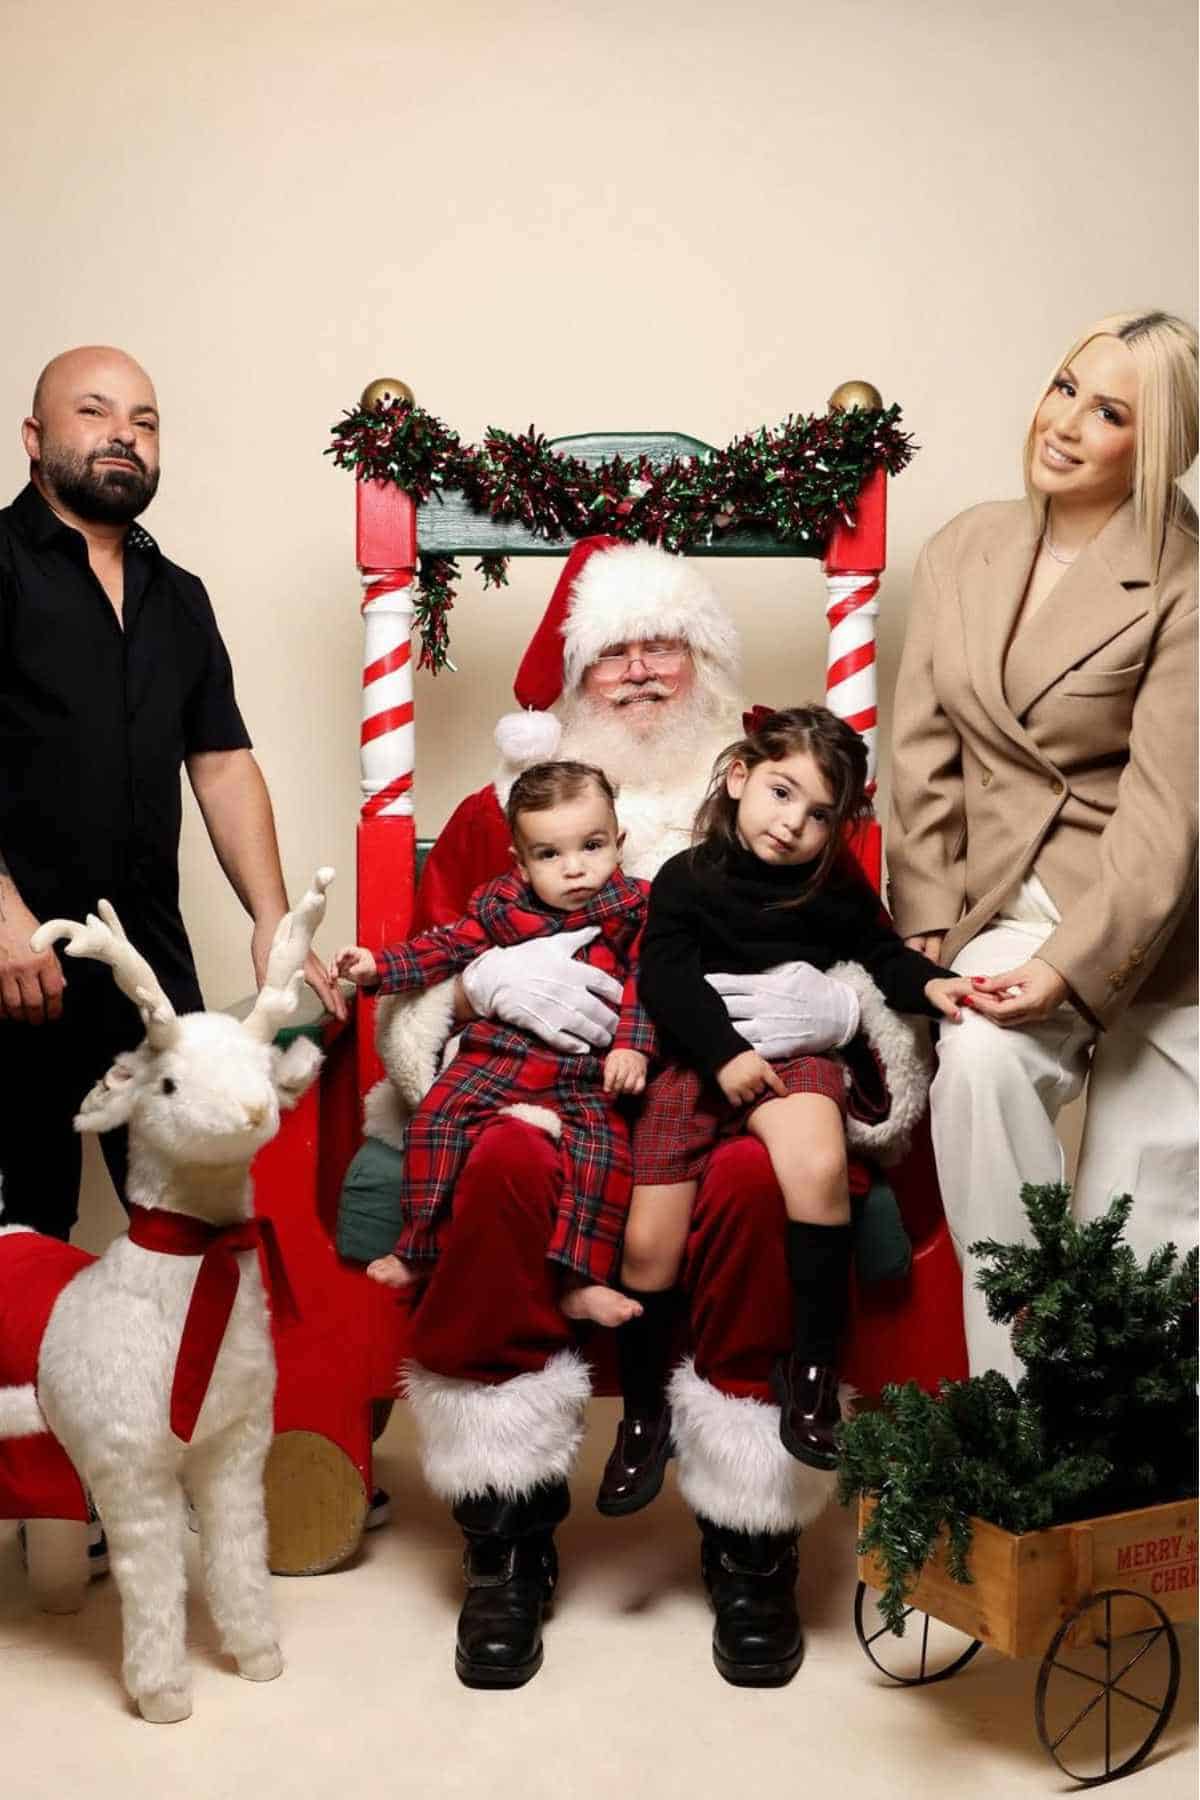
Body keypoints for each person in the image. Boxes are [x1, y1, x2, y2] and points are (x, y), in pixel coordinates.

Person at [375, 537, 924, 1690]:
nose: (637, 672)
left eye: (662, 645)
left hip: (726, 1102)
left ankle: (751, 1534)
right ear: (575, 678)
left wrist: (839, 1008)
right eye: (611, 650)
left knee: (754, 1184)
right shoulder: (503, 811)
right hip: (550, 1097)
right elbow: (425, 973)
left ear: (707, 667)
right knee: (499, 1175)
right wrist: (479, 989)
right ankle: (508, 1535)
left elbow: (877, 965)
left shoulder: (798, 818)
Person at [887, 311, 1198, 1380]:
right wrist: (925, 938)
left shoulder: (1188, 583)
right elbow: (919, 755)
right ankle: (1012, 1404)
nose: (1063, 423)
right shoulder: (964, 548)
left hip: (1164, 934)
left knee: (1149, 1238)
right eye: (1066, 386)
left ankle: (1138, 1496)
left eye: (1108, 412)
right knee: (977, 1063)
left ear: (1153, 452)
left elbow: (1167, 822)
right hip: (1004, 907)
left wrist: (1067, 969)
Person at [0, 345, 343, 1241]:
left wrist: (273, 919)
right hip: (9, 949)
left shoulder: (179, 595)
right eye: (96, 412)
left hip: (146, 959)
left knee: (186, 1216)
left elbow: (222, 761)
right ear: (34, 438)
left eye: (144, 422)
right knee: (25, 1227)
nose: (124, 436)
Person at [608, 706, 970, 1488]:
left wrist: (936, 986)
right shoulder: (686, 878)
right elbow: (664, 978)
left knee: (816, 1163)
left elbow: (880, 956)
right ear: (739, 777)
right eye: (781, 793)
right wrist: (725, 1053)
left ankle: (810, 1374)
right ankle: (643, 1412)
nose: (792, 824)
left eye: (817, 814)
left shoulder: (831, 884)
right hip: (699, 1059)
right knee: (647, 1242)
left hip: (796, 1057)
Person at [332, 760, 651, 1325]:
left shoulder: (635, 910)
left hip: (585, 1068)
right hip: (499, 1057)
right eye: (550, 855)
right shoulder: (501, 908)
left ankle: (580, 1280)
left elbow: (647, 985)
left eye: (592, 846)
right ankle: (421, 1248)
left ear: (619, 843)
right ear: (522, 863)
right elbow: (443, 949)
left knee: (604, 1154)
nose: (575, 869)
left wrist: (631, 1046)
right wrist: (378, 966)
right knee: (436, 1121)